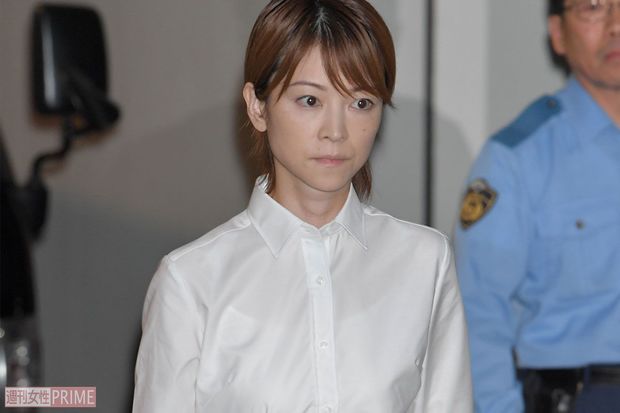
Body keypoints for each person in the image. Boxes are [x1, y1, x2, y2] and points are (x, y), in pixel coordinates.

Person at [132, 1, 472, 412]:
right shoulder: (190, 281)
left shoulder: (425, 261)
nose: (336, 131)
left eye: (361, 103)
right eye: (310, 100)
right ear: (257, 106)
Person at [454, 0, 620, 412]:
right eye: (594, 7)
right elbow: (478, 313)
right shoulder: (515, 158)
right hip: (582, 395)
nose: (616, 25)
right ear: (558, 34)